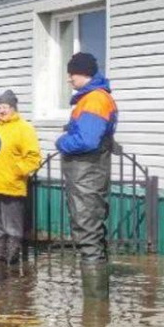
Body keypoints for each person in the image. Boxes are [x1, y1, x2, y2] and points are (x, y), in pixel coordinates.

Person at [56, 52, 118, 276]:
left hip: (87, 175)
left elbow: (88, 140)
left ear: (83, 73)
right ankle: (97, 302)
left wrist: (62, 141)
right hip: (88, 174)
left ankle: (94, 306)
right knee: (91, 230)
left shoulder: (95, 99)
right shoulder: (93, 98)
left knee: (87, 232)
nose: (69, 79)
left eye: (71, 74)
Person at [0, 89, 41, 274]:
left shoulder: (24, 128)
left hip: (11, 186)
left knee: (13, 227)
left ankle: (12, 264)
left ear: (13, 108)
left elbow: (33, 157)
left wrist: (16, 172)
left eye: (4, 107)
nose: (1, 111)